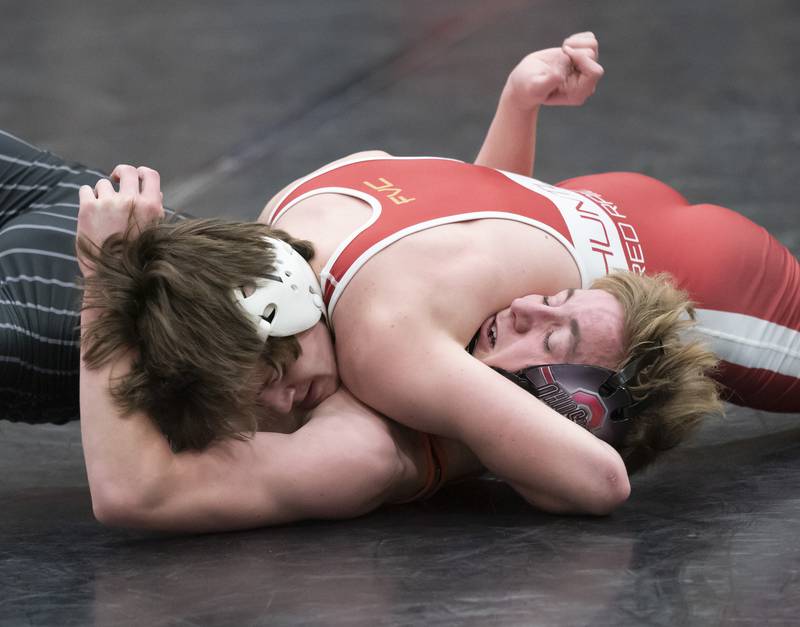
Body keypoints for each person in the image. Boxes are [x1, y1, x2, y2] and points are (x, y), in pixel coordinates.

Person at [4, 34, 795, 532]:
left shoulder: (340, 268)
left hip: (695, 275)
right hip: (578, 215)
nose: (280, 401)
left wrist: (108, 276)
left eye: (275, 374)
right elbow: (467, 261)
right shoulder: (334, 270)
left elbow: (599, 476)